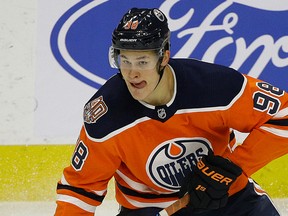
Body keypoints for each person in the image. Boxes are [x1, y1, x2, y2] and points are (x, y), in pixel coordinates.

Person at [54, 7, 288, 216]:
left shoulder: (214, 86)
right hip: (147, 209)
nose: (132, 73)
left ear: (164, 57)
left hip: (226, 198)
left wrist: (233, 169)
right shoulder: (107, 115)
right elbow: (80, 189)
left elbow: (284, 114)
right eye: (124, 61)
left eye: (142, 62)